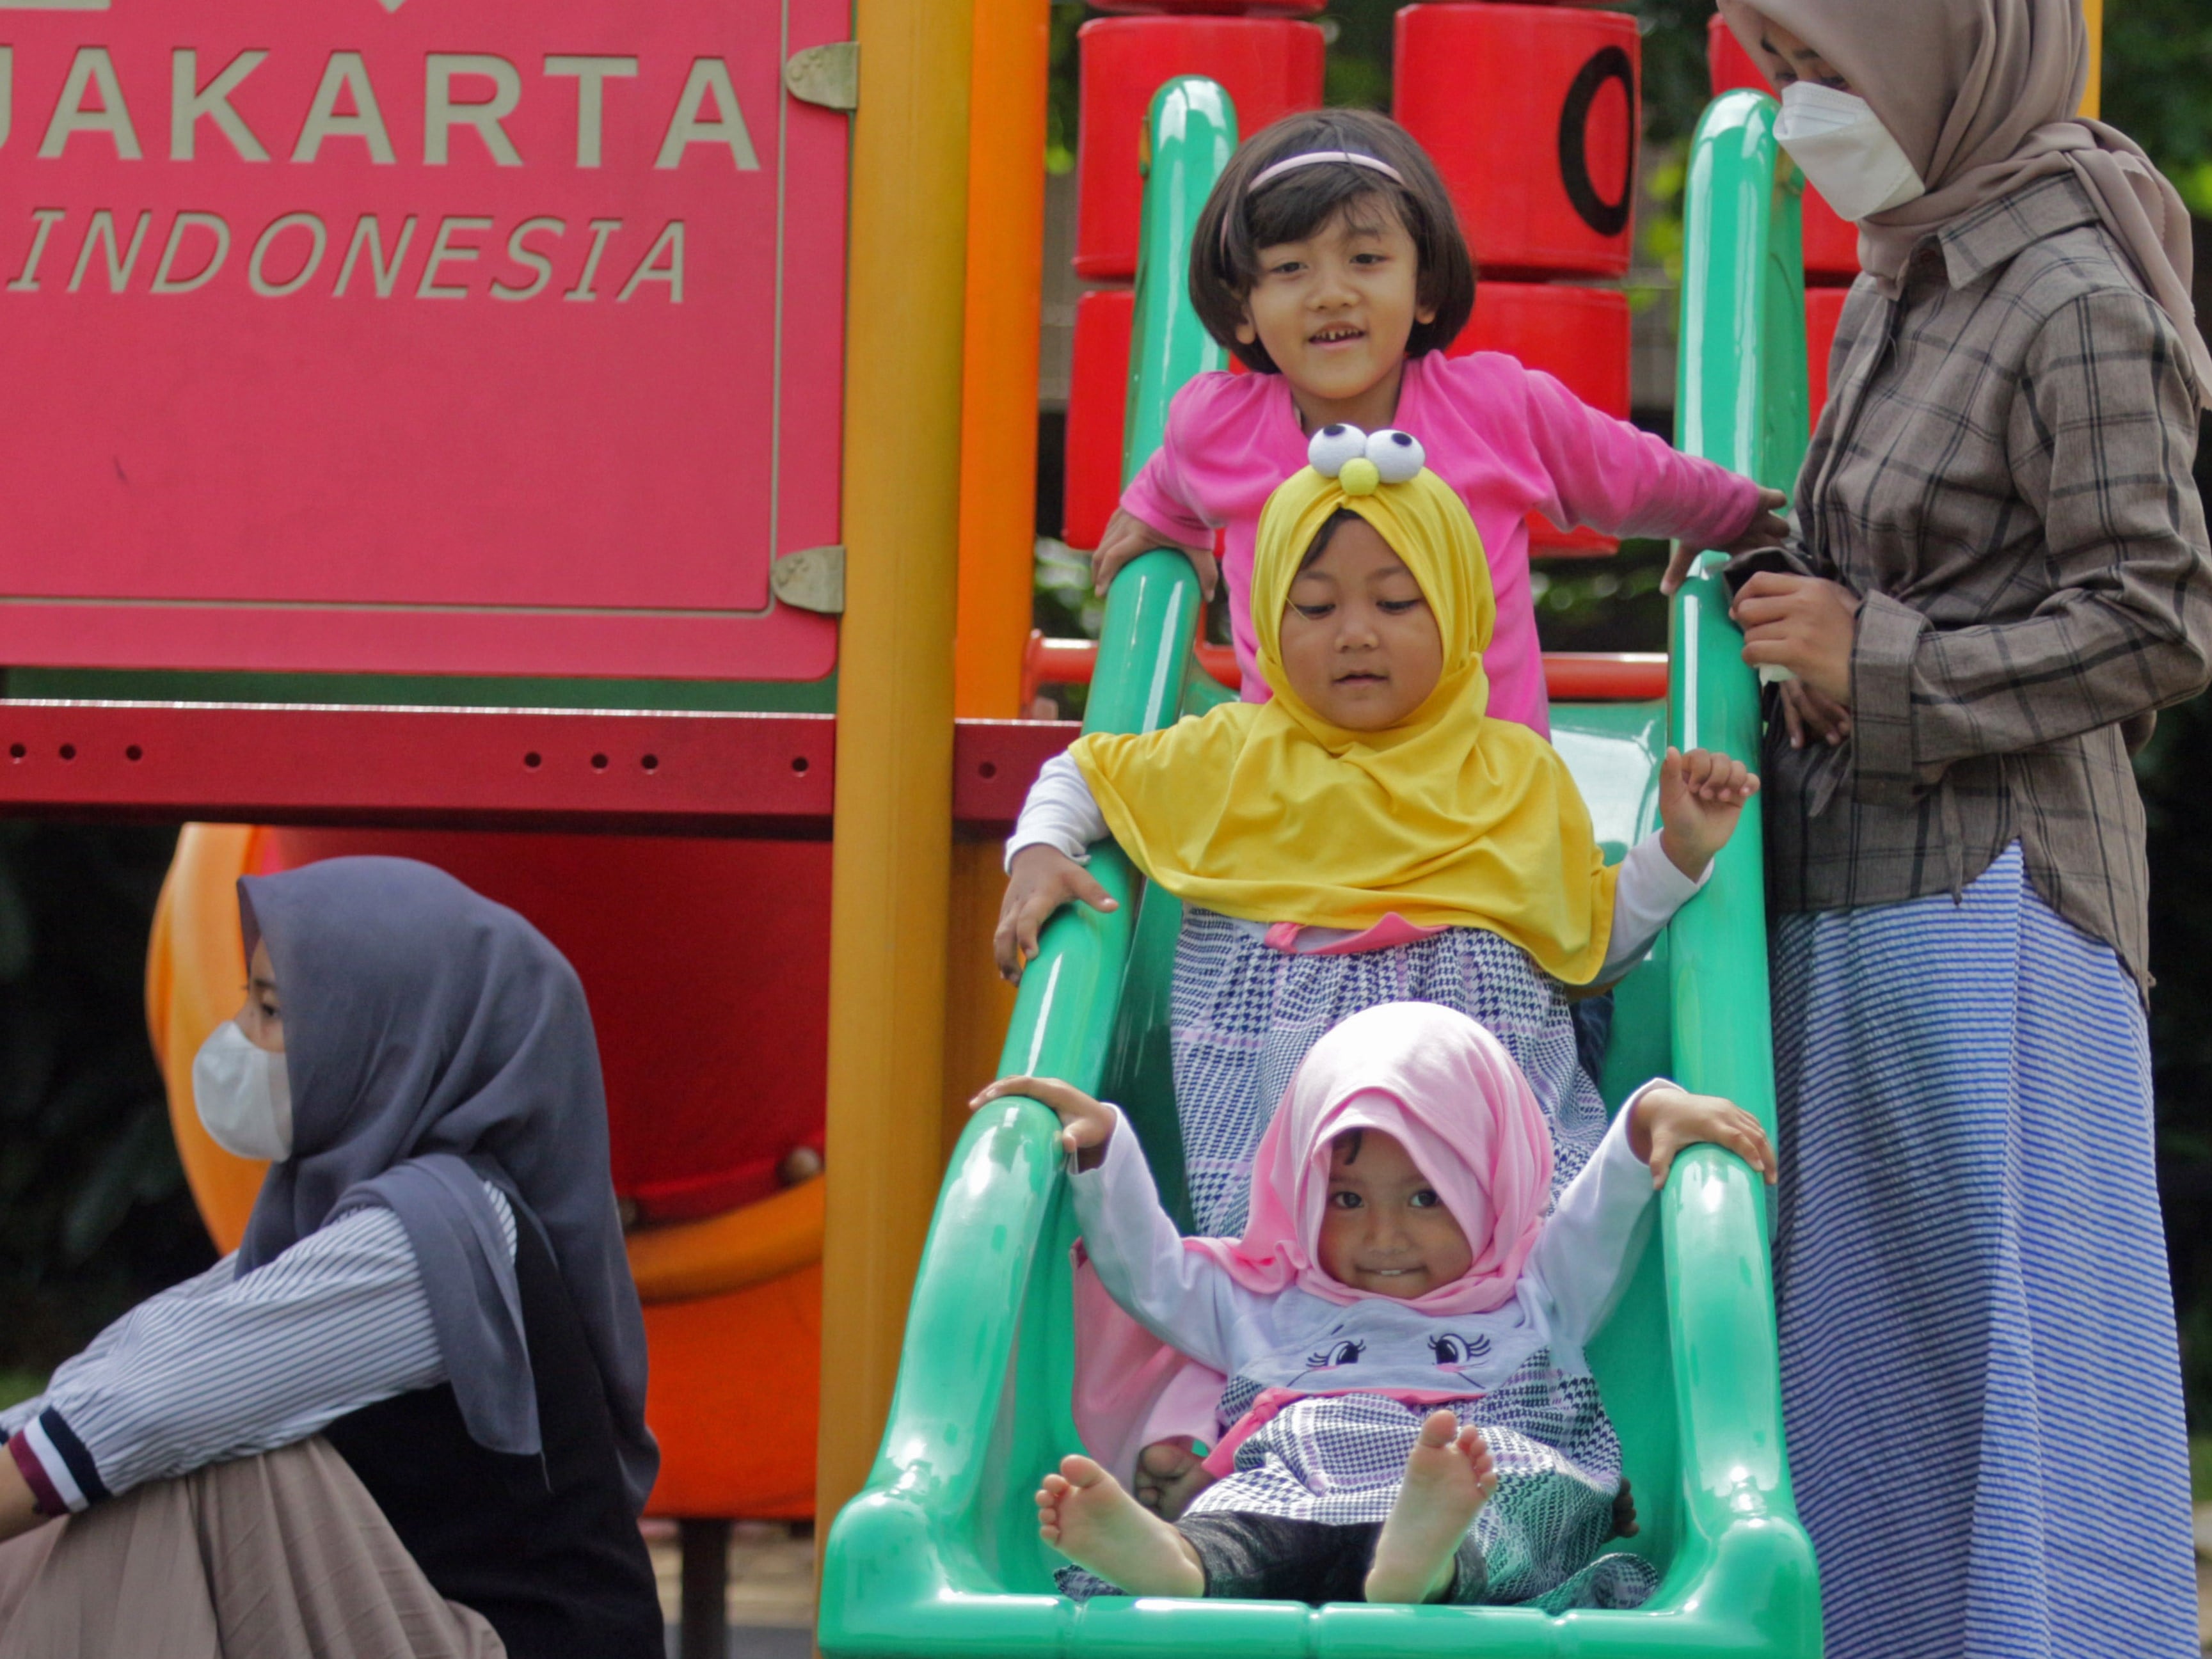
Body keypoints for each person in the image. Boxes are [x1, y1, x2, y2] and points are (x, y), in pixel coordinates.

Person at [1683, 6, 2212, 1656]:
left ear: (1937, 58)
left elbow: (2157, 619)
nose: (1798, 109)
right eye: (1781, 72)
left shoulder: (2069, 283)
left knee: (2013, 1381)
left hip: (2000, 906)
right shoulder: (1902, 263)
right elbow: (1874, 554)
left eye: (1825, 71)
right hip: (1854, 886)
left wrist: (1880, 661)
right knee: (1871, 1390)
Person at [996, 435, 1758, 1513]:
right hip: (1293, 1092)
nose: (1354, 632)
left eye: (1397, 602)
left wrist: (1675, 854)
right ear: (1265, 624)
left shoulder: (1510, 774)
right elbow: (1082, 770)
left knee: (1511, 1279)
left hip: (1477, 1089)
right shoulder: (1230, 758)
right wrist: (1039, 853)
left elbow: (1589, 936)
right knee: (1292, 1272)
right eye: (1311, 608)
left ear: (1461, 613)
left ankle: (1460, 1471)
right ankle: (1258, 1450)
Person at [0, 858, 665, 1659]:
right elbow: (125, 1373)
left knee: (190, 1456)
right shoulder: (334, 1223)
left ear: (387, 1040)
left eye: (272, 1011)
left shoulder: (432, 1233)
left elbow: (148, 1407)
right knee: (173, 1437)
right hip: (422, 1625)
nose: (239, 1035)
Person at [972, 1001, 1774, 1608]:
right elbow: (1149, 1275)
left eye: (1426, 1197)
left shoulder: (1537, 1286)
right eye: (1346, 1199)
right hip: (1310, 1485)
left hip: (1478, 1489)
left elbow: (1601, 1212)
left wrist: (1647, 1118)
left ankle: (1429, 1559)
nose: (1383, 1236)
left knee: (1530, 1483)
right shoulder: (1270, 1299)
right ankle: (1185, 1562)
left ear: (1490, 1187)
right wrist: (1103, 1149)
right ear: (1301, 1190)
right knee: (1254, 1506)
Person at [1087, 106, 1792, 736]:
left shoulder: (1495, 409)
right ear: (1241, 307)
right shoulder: (1217, 427)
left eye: (1366, 259)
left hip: (1480, 802)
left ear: (1424, 286)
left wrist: (1728, 513)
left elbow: (1629, 474)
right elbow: (1170, 485)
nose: (1331, 294)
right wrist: (1159, 523)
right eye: (1290, 268)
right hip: (1301, 803)